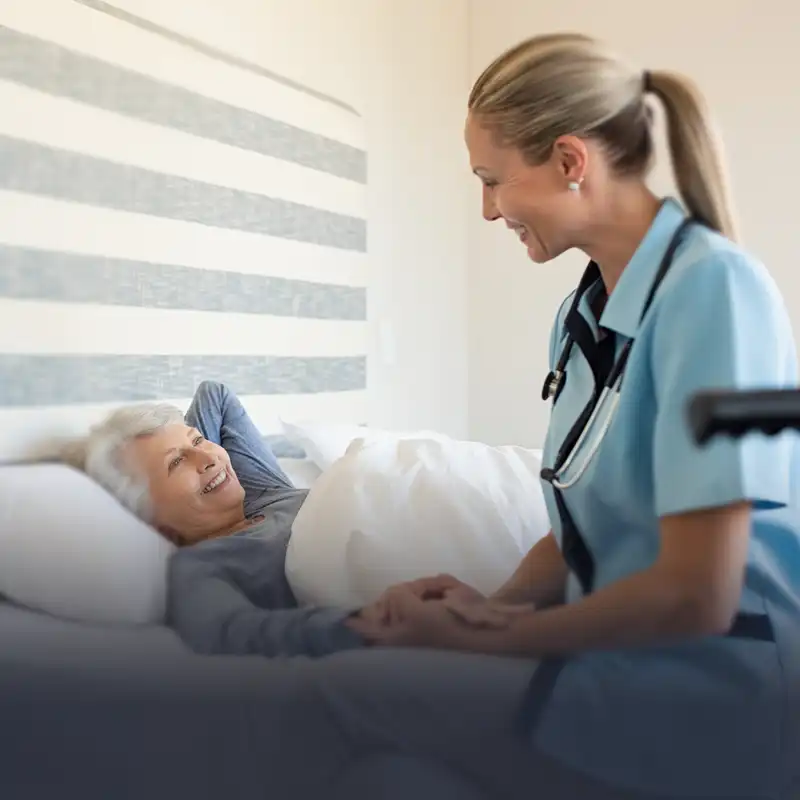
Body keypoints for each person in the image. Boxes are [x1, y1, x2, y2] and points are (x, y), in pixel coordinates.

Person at [255, 32, 800, 800]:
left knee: (336, 699)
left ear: (571, 161)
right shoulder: (584, 316)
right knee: (390, 774)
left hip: (717, 694)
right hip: (617, 671)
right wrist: (490, 604)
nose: (486, 210)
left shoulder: (721, 294)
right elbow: (583, 525)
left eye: (492, 180)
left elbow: (699, 595)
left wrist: (487, 638)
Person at [75, 379, 370, 657]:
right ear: (152, 520)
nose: (210, 459)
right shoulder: (202, 565)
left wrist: (186, 453)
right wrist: (368, 623)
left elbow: (214, 394)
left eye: (200, 440)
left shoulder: (262, 492)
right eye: (176, 463)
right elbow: (232, 632)